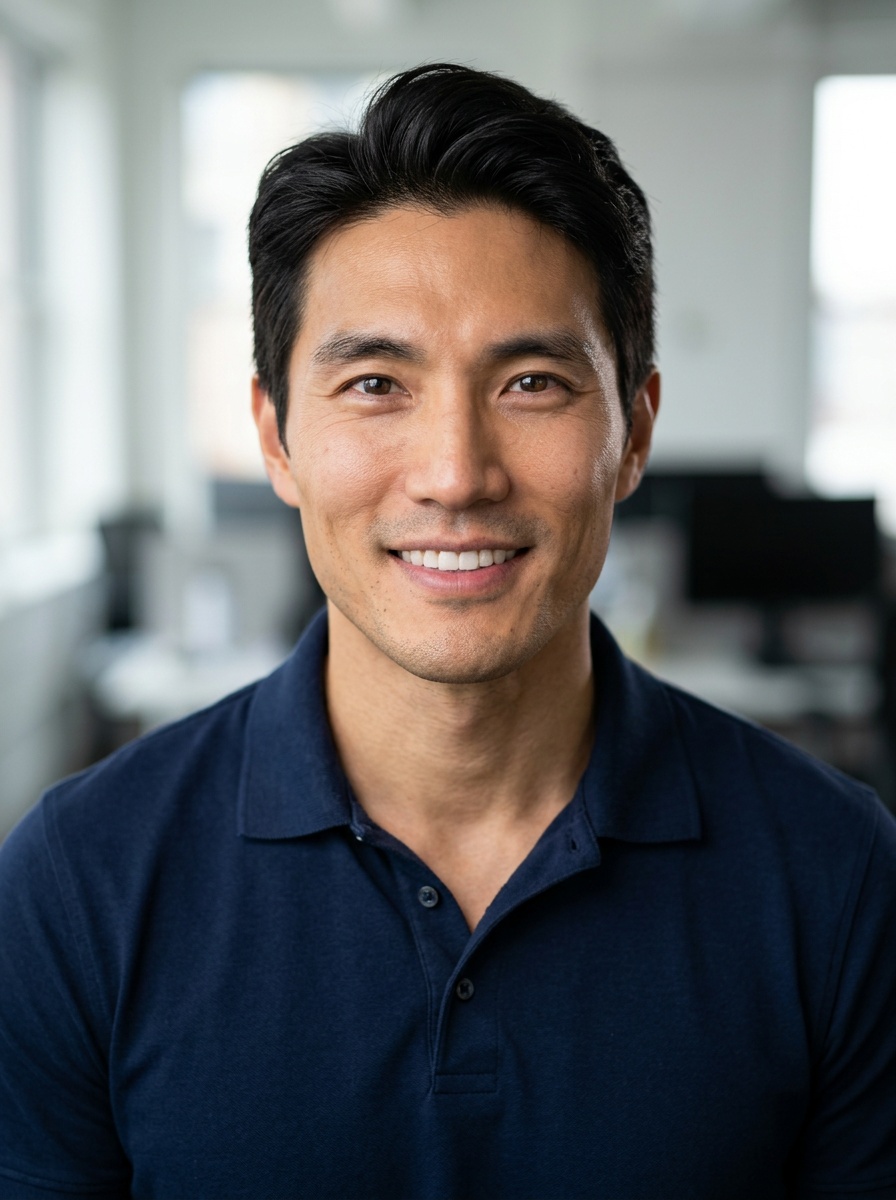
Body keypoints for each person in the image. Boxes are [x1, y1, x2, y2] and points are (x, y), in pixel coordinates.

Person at [1, 63, 894, 1200]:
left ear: (633, 432)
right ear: (274, 438)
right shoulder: (76, 885)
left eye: (529, 382)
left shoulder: (837, 878)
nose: (455, 475)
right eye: (375, 383)